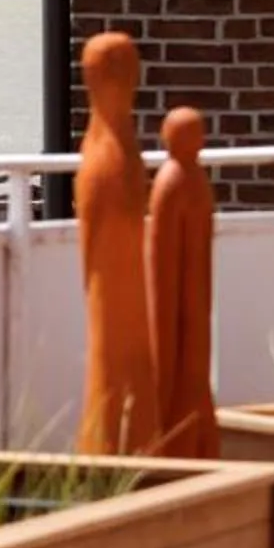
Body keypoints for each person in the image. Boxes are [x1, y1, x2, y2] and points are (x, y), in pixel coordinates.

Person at [75, 32, 161, 454]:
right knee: (120, 361)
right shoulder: (118, 146)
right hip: (122, 282)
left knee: (113, 363)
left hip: (112, 285)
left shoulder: (106, 153)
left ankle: (112, 446)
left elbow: (94, 234)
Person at [149, 105, 218, 457]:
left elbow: (160, 252)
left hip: (176, 292)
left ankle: (176, 435)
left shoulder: (170, 181)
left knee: (176, 365)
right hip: (198, 294)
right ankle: (196, 435)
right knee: (195, 360)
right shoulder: (197, 181)